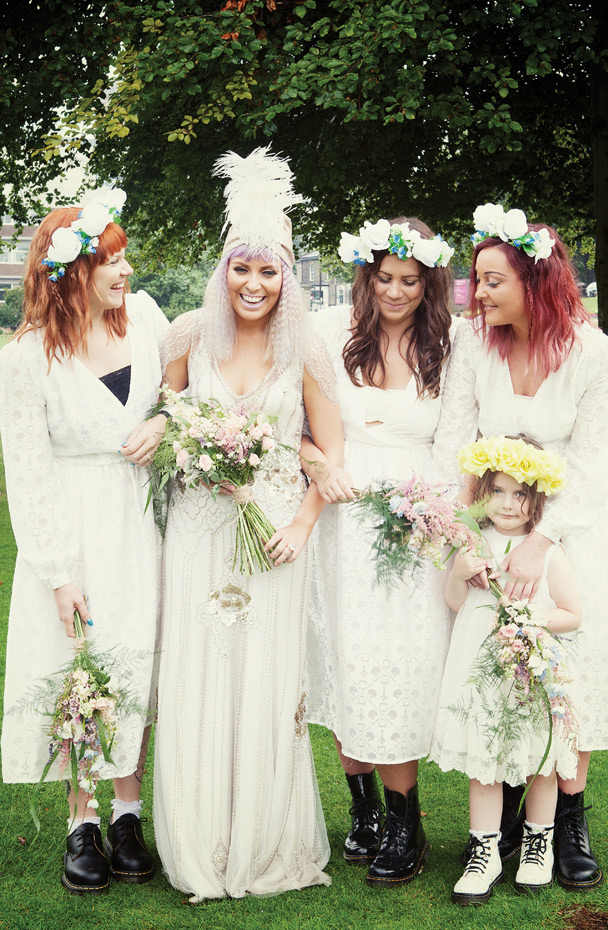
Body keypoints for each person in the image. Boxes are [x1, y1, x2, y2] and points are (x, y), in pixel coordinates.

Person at [152, 148, 343, 902]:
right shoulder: (187, 337)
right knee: (199, 677)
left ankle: (265, 842)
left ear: (287, 278)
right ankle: (201, 843)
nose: (253, 285)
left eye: (268, 272)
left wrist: (300, 521)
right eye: (241, 269)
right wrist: (191, 448)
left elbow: (330, 456)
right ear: (223, 269)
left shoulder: (307, 348)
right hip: (197, 528)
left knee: (263, 684)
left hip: (272, 539)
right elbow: (163, 429)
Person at [432, 202, 608, 890]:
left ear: (535, 280)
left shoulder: (595, 353)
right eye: (477, 281)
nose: (476, 294)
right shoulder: (472, 344)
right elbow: (454, 443)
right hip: (493, 526)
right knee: (497, 674)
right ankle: (503, 821)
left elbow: (595, 460)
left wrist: (542, 543)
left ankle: (566, 822)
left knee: (572, 676)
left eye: (490, 281)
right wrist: (462, 538)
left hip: (573, 532)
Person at [0, 191, 169, 894]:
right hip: (75, 530)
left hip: (145, 525)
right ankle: (83, 820)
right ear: (73, 272)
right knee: (83, 673)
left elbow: (182, 394)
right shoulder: (25, 358)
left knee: (139, 660)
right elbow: (28, 473)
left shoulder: (150, 322)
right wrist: (60, 571)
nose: (126, 270)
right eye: (113, 259)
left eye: (126, 257)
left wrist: (164, 421)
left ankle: (129, 815)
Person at [301, 217, 457, 887]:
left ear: (429, 284)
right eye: (385, 279)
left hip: (417, 521)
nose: (395, 292)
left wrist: (438, 510)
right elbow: (300, 427)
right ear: (366, 276)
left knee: (400, 663)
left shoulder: (449, 346)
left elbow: (458, 440)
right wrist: (315, 463)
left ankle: (406, 819)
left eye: (410, 282)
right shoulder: (331, 333)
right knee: (345, 657)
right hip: (344, 518)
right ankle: (362, 810)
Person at [429, 435, 582, 903]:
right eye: (498, 491)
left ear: (536, 500)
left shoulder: (548, 553)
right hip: (481, 672)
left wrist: (529, 619)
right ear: (482, 494)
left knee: (542, 763)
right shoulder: (471, 543)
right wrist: (458, 572)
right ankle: (486, 850)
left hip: (531, 673)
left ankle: (539, 843)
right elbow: (457, 604)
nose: (509, 504)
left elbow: (572, 614)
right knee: (485, 767)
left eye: (520, 494)